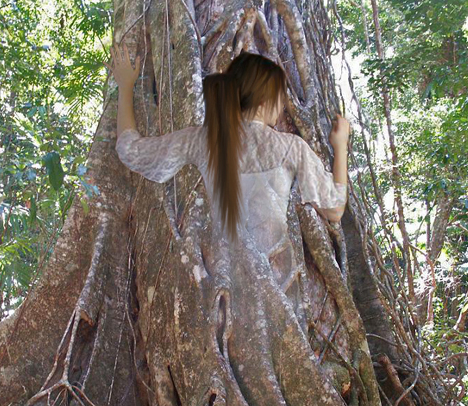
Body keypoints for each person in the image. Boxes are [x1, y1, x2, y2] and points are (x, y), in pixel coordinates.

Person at [108, 42, 350, 290]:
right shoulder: (291, 147)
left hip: (223, 277)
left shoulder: (203, 139)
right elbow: (334, 208)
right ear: (265, 98)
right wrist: (341, 145)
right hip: (277, 280)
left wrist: (126, 86)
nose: (283, 105)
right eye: (281, 96)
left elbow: (130, 150)